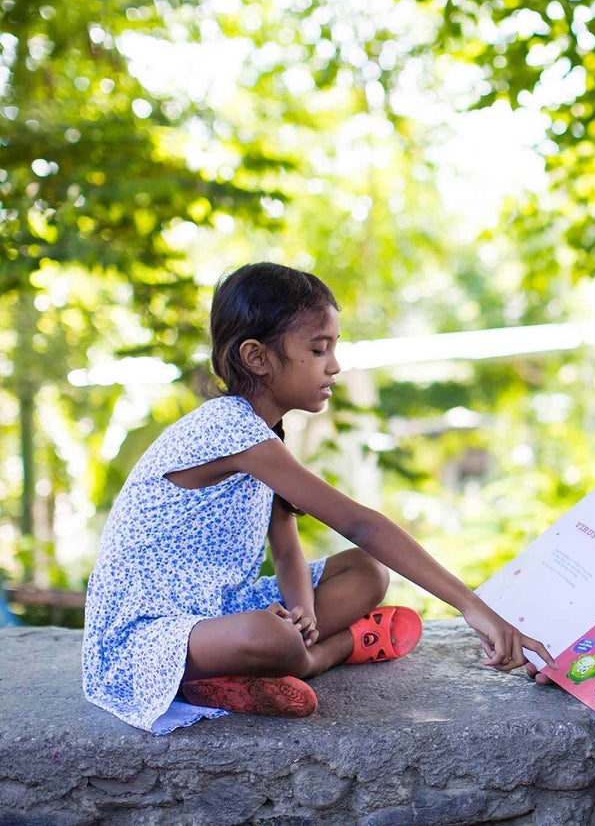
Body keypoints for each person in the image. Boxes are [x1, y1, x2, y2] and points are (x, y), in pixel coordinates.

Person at [83, 262, 554, 734]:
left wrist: (303, 604)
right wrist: (472, 606)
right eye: (318, 349)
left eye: (334, 347)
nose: (334, 365)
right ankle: (330, 652)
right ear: (257, 357)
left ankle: (248, 667)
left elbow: (285, 541)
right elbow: (361, 524)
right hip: (147, 637)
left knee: (366, 571)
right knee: (271, 635)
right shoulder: (226, 427)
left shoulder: (263, 435)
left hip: (220, 609)